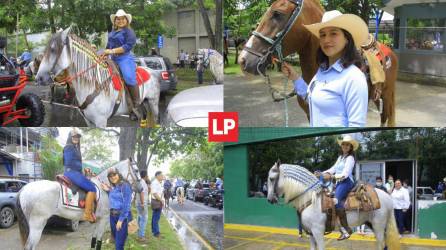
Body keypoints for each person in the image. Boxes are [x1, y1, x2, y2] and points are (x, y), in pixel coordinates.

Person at [280, 10, 369, 127]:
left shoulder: (354, 77)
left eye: (333, 33)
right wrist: (295, 78)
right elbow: (313, 98)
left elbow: (356, 127)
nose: (326, 40)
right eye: (322, 35)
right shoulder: (322, 71)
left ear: (347, 38)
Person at [102, 9, 142, 121]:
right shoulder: (112, 32)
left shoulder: (129, 32)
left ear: (126, 20)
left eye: (122, 18)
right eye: (118, 19)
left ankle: (136, 106)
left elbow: (128, 46)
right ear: (115, 21)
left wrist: (111, 51)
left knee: (129, 78)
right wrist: (104, 54)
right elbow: (108, 46)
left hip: (125, 58)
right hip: (113, 59)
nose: (120, 21)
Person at [323, 135, 359, 240]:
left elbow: (345, 174)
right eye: (344, 144)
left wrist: (332, 176)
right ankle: (328, 225)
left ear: (351, 147)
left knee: (336, 201)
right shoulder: (340, 157)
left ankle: (346, 230)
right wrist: (322, 173)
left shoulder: (350, 158)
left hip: (346, 182)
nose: (345, 146)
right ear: (341, 146)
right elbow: (333, 168)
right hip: (339, 182)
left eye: (348, 144)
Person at [63, 129, 96, 222]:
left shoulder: (75, 147)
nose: (76, 138)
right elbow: (68, 162)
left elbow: (76, 162)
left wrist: (85, 170)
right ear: (70, 137)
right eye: (74, 136)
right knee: (92, 188)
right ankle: (87, 215)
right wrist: (80, 167)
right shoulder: (69, 147)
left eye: (77, 137)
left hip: (74, 172)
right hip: (71, 172)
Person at [101, 168, 133, 250]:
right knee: (117, 240)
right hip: (112, 216)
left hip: (122, 217)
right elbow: (115, 198)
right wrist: (108, 191)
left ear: (118, 174)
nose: (112, 177)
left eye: (114, 174)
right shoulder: (115, 187)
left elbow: (127, 204)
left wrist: (121, 220)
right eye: (110, 176)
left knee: (118, 245)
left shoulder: (125, 185)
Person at [135, 170, 149, 243]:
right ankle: (141, 236)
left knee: (140, 218)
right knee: (144, 219)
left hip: (138, 202)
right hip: (142, 203)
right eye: (147, 175)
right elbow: (142, 193)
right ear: (146, 175)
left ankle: (139, 234)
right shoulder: (142, 183)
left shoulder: (139, 182)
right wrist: (143, 203)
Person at [151, 171, 164, 238]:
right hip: (157, 201)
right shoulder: (155, 183)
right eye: (161, 175)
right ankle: (156, 233)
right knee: (156, 217)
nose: (162, 176)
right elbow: (155, 193)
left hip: (158, 201)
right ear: (157, 176)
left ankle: (154, 231)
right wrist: (161, 200)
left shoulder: (159, 183)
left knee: (155, 217)